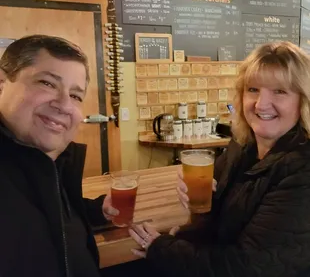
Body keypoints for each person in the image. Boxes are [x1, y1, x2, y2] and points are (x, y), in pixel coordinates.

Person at [129, 41, 310, 277]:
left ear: (303, 101)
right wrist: (193, 208)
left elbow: (248, 267)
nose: (261, 104)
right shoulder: (243, 145)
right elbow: (217, 209)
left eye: (280, 91)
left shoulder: (302, 171)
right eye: (253, 89)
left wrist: (164, 249)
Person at [0, 35, 118, 277]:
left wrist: (93, 210)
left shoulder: (46, 162)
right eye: (47, 83)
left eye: (76, 96)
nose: (64, 105)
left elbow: (39, 211)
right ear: (2, 84)